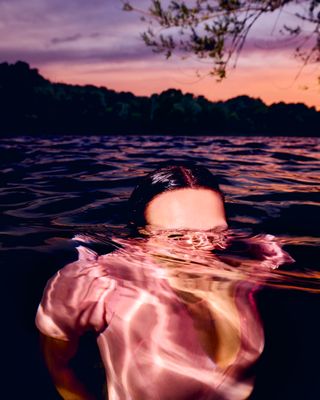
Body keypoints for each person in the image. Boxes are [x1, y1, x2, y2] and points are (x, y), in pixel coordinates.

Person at [35, 162, 293, 400]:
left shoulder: (252, 261)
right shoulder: (94, 283)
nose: (199, 249)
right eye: (176, 235)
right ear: (140, 235)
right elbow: (60, 369)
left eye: (215, 232)